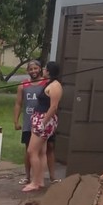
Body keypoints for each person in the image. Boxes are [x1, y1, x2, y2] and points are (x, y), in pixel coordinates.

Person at [23, 61, 63, 193]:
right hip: (39, 118)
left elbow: (53, 107)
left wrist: (43, 122)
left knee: (31, 151)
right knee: (41, 151)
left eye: (45, 69)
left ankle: (34, 182)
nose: (43, 70)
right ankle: (39, 180)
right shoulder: (49, 83)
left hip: (44, 120)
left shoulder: (55, 86)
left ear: (49, 71)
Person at [14, 60, 47, 185]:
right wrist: (15, 121)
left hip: (42, 121)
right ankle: (27, 176)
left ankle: (39, 178)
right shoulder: (23, 85)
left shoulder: (46, 84)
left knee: (42, 150)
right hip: (28, 122)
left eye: (36, 68)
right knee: (28, 150)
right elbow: (18, 104)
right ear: (27, 71)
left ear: (40, 69)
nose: (33, 71)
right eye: (31, 69)